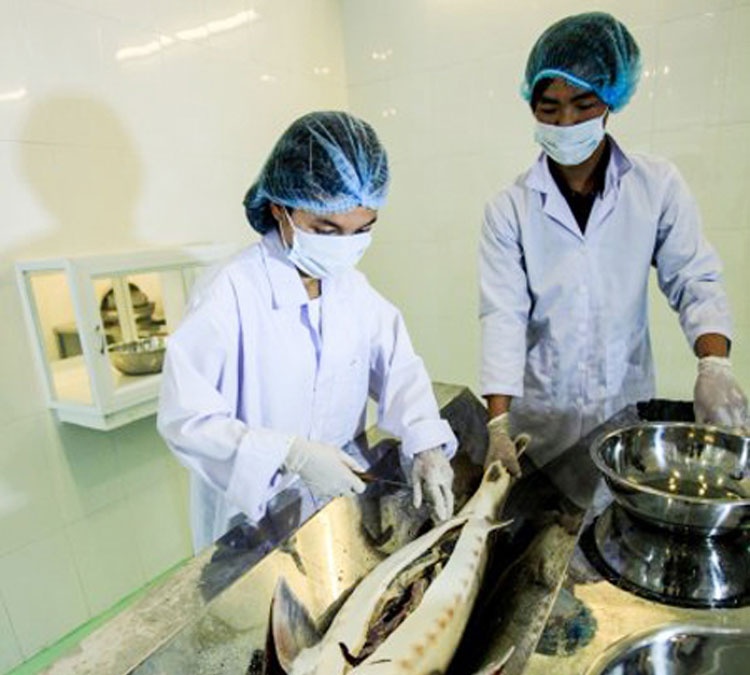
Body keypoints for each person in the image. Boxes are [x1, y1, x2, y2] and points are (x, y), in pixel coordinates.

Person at [158, 111, 456, 552]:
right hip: (251, 520)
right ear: (280, 208)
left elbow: (399, 370)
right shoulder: (229, 293)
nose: (344, 247)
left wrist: (427, 444)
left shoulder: (353, 289)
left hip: (334, 508)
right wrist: (289, 453)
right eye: (326, 229)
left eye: (362, 230)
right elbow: (186, 421)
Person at [480, 12, 749, 478]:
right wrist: (498, 425)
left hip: (623, 415)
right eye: (549, 108)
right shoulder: (509, 208)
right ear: (531, 105)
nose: (566, 121)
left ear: (611, 101)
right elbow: (502, 316)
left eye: (582, 104)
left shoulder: (655, 186)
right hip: (542, 424)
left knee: (617, 509)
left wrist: (714, 365)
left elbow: (694, 278)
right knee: (546, 515)